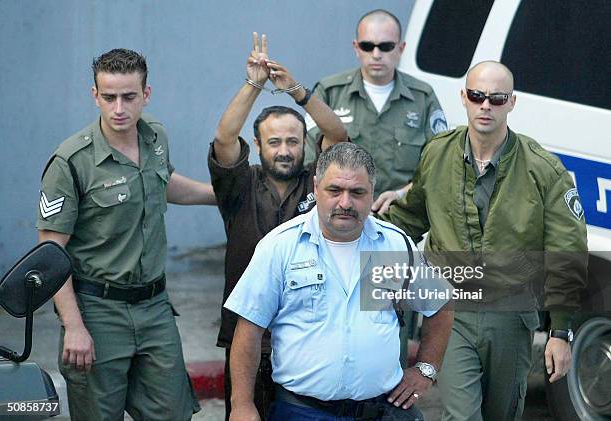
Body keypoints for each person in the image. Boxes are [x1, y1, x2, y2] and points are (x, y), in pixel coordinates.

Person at [383, 61, 588, 420]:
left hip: (511, 316)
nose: (485, 106)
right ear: (463, 97)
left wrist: (561, 332)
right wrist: (361, 235)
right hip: (450, 313)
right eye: (477, 96)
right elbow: (410, 218)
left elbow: (566, 251)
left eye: (496, 98)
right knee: (460, 415)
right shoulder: (437, 153)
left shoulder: (543, 169)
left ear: (512, 103)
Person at [36, 48, 216, 421]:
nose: (119, 108)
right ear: (95, 95)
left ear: (146, 95)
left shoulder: (156, 137)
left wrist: (221, 197)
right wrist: (74, 327)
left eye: (129, 97)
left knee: (174, 413)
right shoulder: (71, 162)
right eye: (109, 97)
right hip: (98, 312)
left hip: (154, 307)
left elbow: (161, 184)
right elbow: (50, 253)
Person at [225, 142, 454, 421]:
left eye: (357, 192)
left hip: (381, 411)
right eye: (335, 190)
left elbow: (441, 306)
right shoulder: (280, 246)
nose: (345, 203)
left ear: (372, 194)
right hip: (301, 412)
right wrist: (242, 405)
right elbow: (248, 331)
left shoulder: (395, 245)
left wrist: (425, 369)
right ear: (316, 188)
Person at [208, 33, 347, 420]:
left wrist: (297, 92)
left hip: (309, 335)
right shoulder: (239, 184)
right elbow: (223, 137)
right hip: (247, 338)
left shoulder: (319, 184)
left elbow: (337, 135)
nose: (284, 150)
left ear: (306, 144)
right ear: (257, 144)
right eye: (274, 142)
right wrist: (254, 83)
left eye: (292, 141)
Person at [305, 9, 448, 215]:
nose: (376, 54)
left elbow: (439, 162)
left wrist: (402, 194)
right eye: (367, 46)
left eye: (386, 46)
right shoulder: (329, 92)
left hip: (398, 214)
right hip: (340, 213)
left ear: (401, 48)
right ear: (356, 48)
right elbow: (309, 159)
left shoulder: (423, 97)